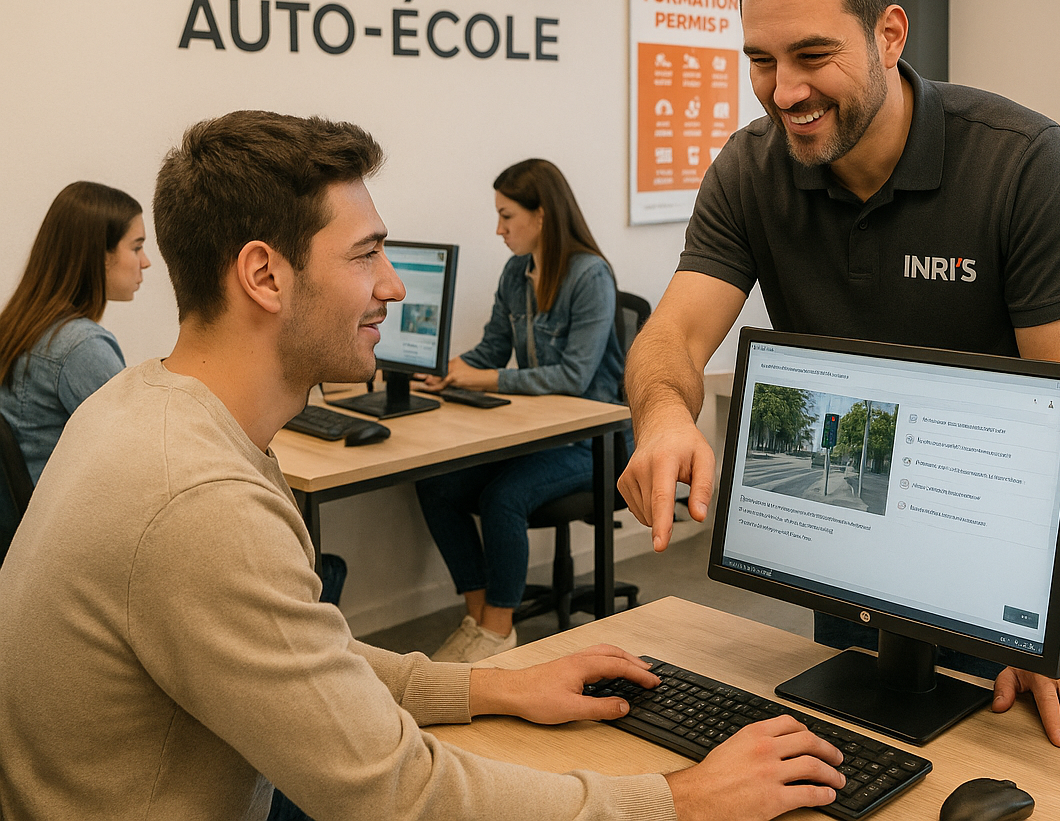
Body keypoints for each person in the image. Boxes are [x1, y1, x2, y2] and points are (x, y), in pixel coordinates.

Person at [0, 111, 845, 821]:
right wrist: (680, 800)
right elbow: (399, 794)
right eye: (367, 254)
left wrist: (496, 689)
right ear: (264, 275)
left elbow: (309, 664)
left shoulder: (138, 407)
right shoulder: (198, 499)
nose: (394, 287)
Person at [617, 0, 1060, 752]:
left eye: (813, 56)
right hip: (848, 553)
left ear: (889, 35)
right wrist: (664, 415)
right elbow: (673, 337)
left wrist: (1049, 613)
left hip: (1004, 563)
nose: (784, 92)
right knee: (854, 767)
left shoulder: (1019, 160)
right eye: (762, 61)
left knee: (1027, 781)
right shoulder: (749, 170)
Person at [414, 159, 626, 663]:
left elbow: (573, 377)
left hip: (593, 443)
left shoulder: (590, 276)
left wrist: (484, 378)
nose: (499, 229)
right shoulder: (516, 272)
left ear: (542, 215)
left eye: (507, 216)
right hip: (538, 436)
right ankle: (478, 616)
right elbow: (492, 348)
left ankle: (498, 632)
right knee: (436, 484)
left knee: (503, 497)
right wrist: (445, 370)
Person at [0, 180, 150, 487]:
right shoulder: (80, 346)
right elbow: (139, 453)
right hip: (52, 514)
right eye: (136, 247)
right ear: (100, 255)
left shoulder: (19, 325)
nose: (145, 262)